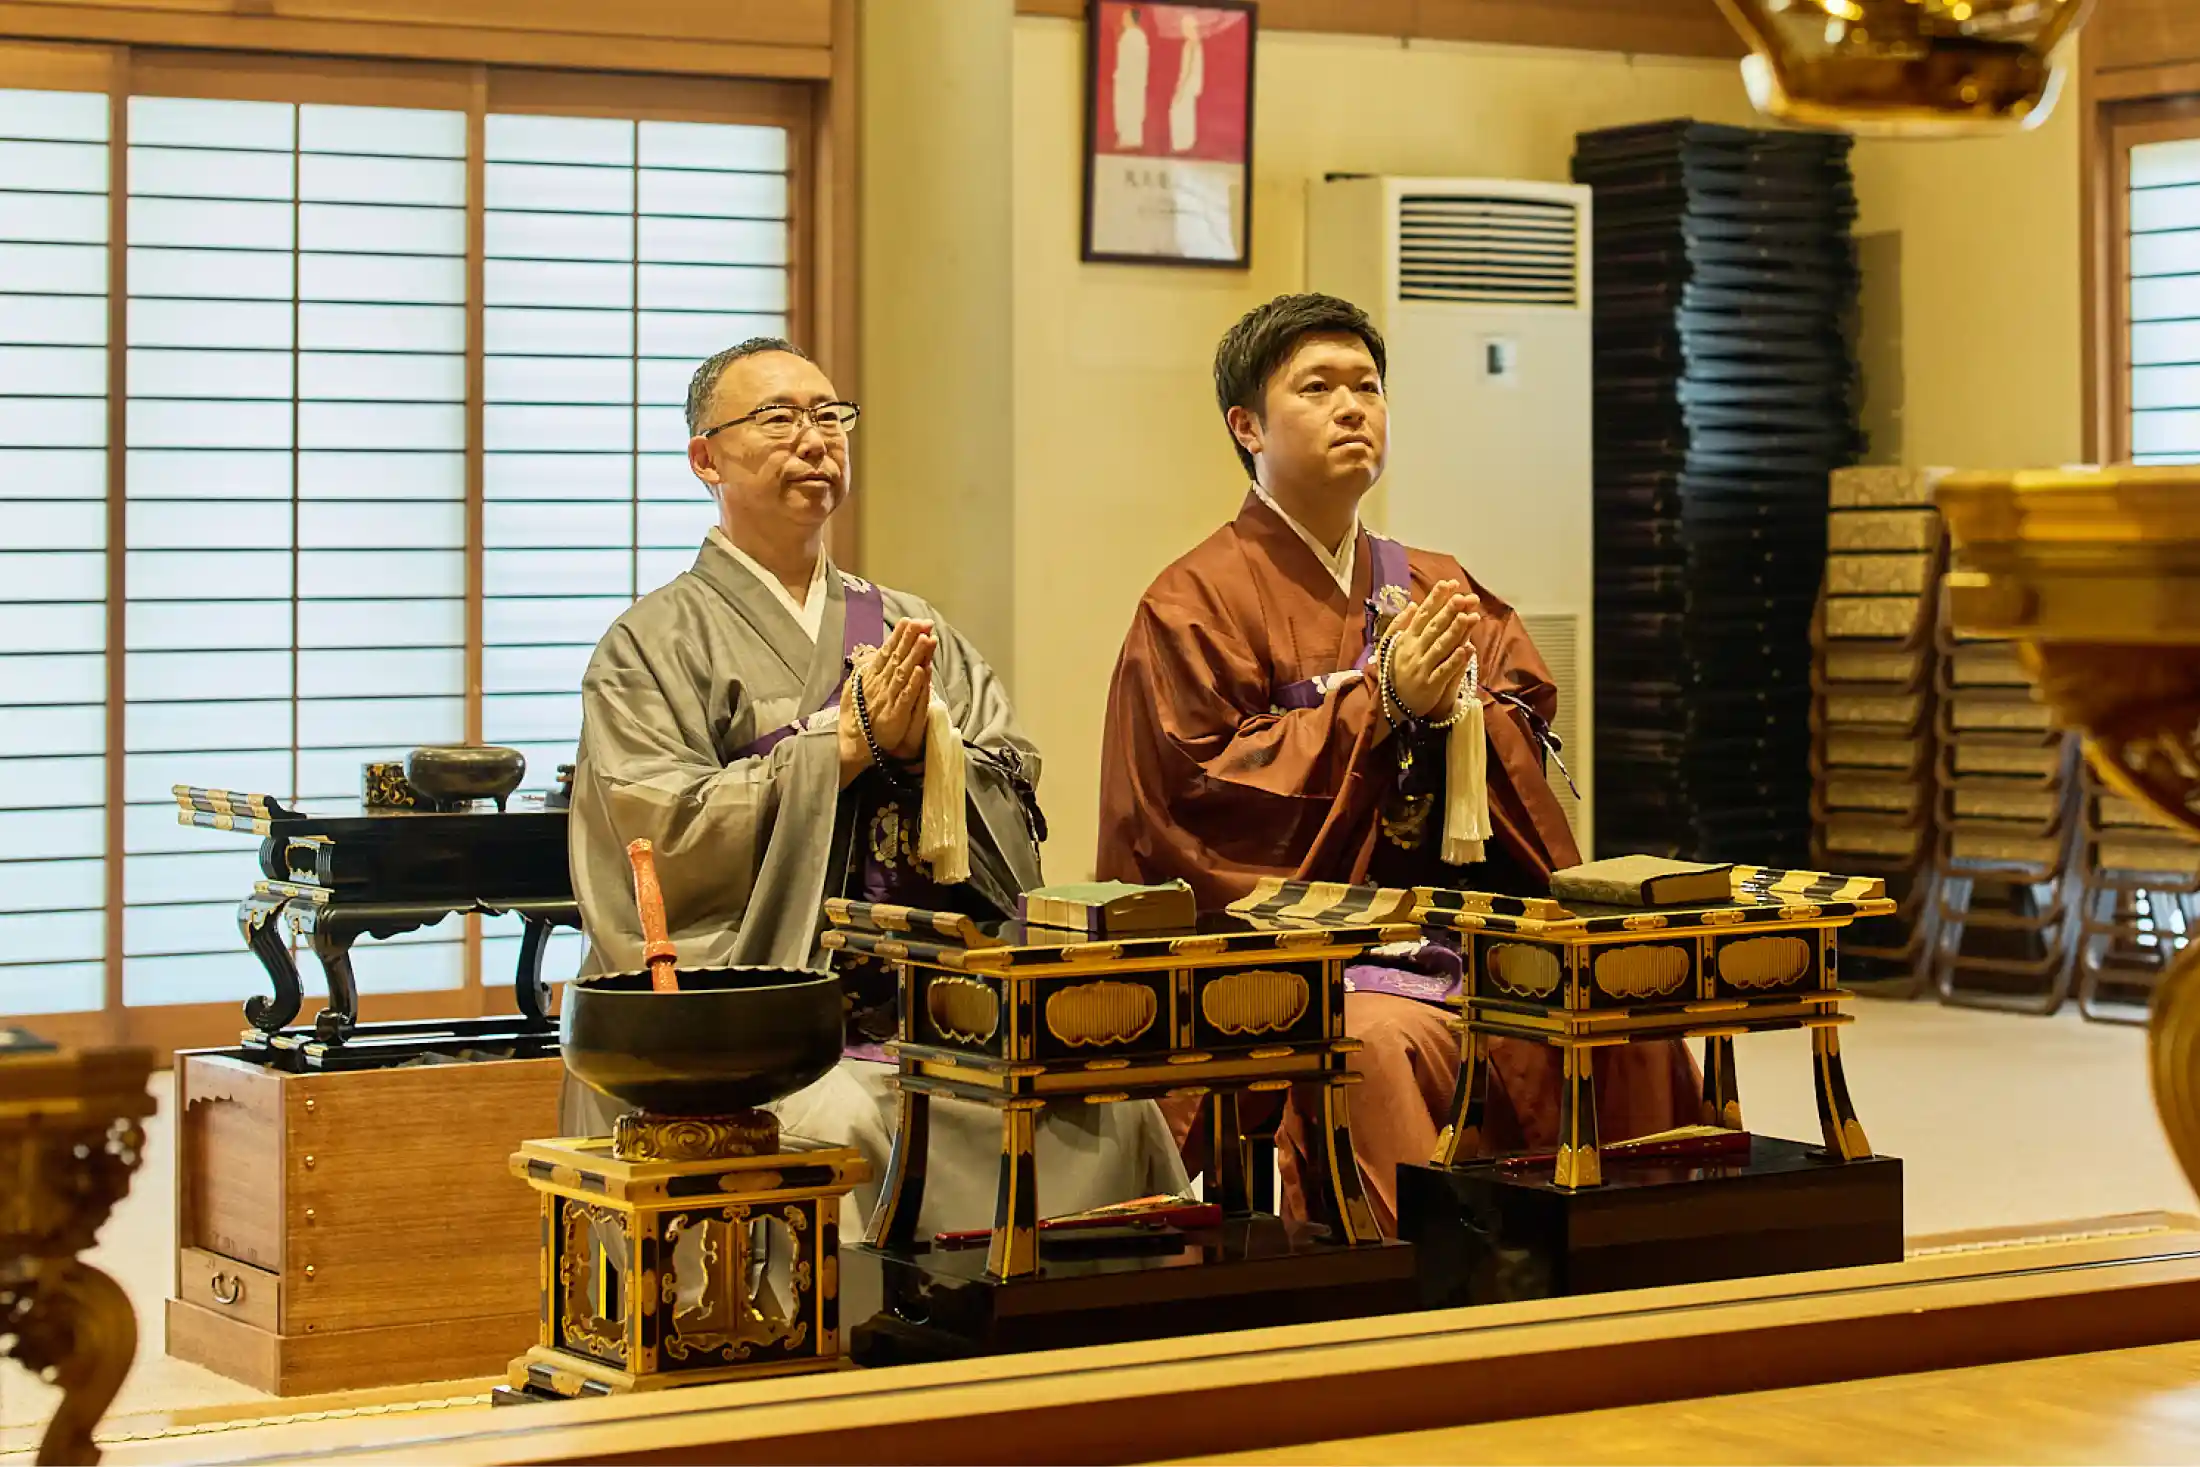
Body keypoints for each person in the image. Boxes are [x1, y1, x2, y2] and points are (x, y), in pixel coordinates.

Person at [1095, 294, 1697, 1233]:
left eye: (1368, 387)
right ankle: (1427, 1296)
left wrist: (1462, 713)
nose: (1352, 408)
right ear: (1246, 426)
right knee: (1381, 1042)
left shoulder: (1437, 583)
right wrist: (1377, 710)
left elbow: (1524, 732)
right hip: (1306, 958)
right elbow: (1192, 799)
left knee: (1621, 1000)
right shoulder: (1191, 602)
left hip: (1457, 931)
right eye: (1319, 387)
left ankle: (1645, 1266)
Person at [565, 337, 1185, 1234]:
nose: (815, 439)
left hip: (926, 998)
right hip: (761, 1023)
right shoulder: (650, 646)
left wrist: (929, 750)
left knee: (1109, 1108)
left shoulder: (911, 624)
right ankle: (854, 1358)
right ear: (705, 457)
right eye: (778, 418)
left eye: (830, 416)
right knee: (842, 1123)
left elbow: (1012, 781)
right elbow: (659, 835)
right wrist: (837, 749)